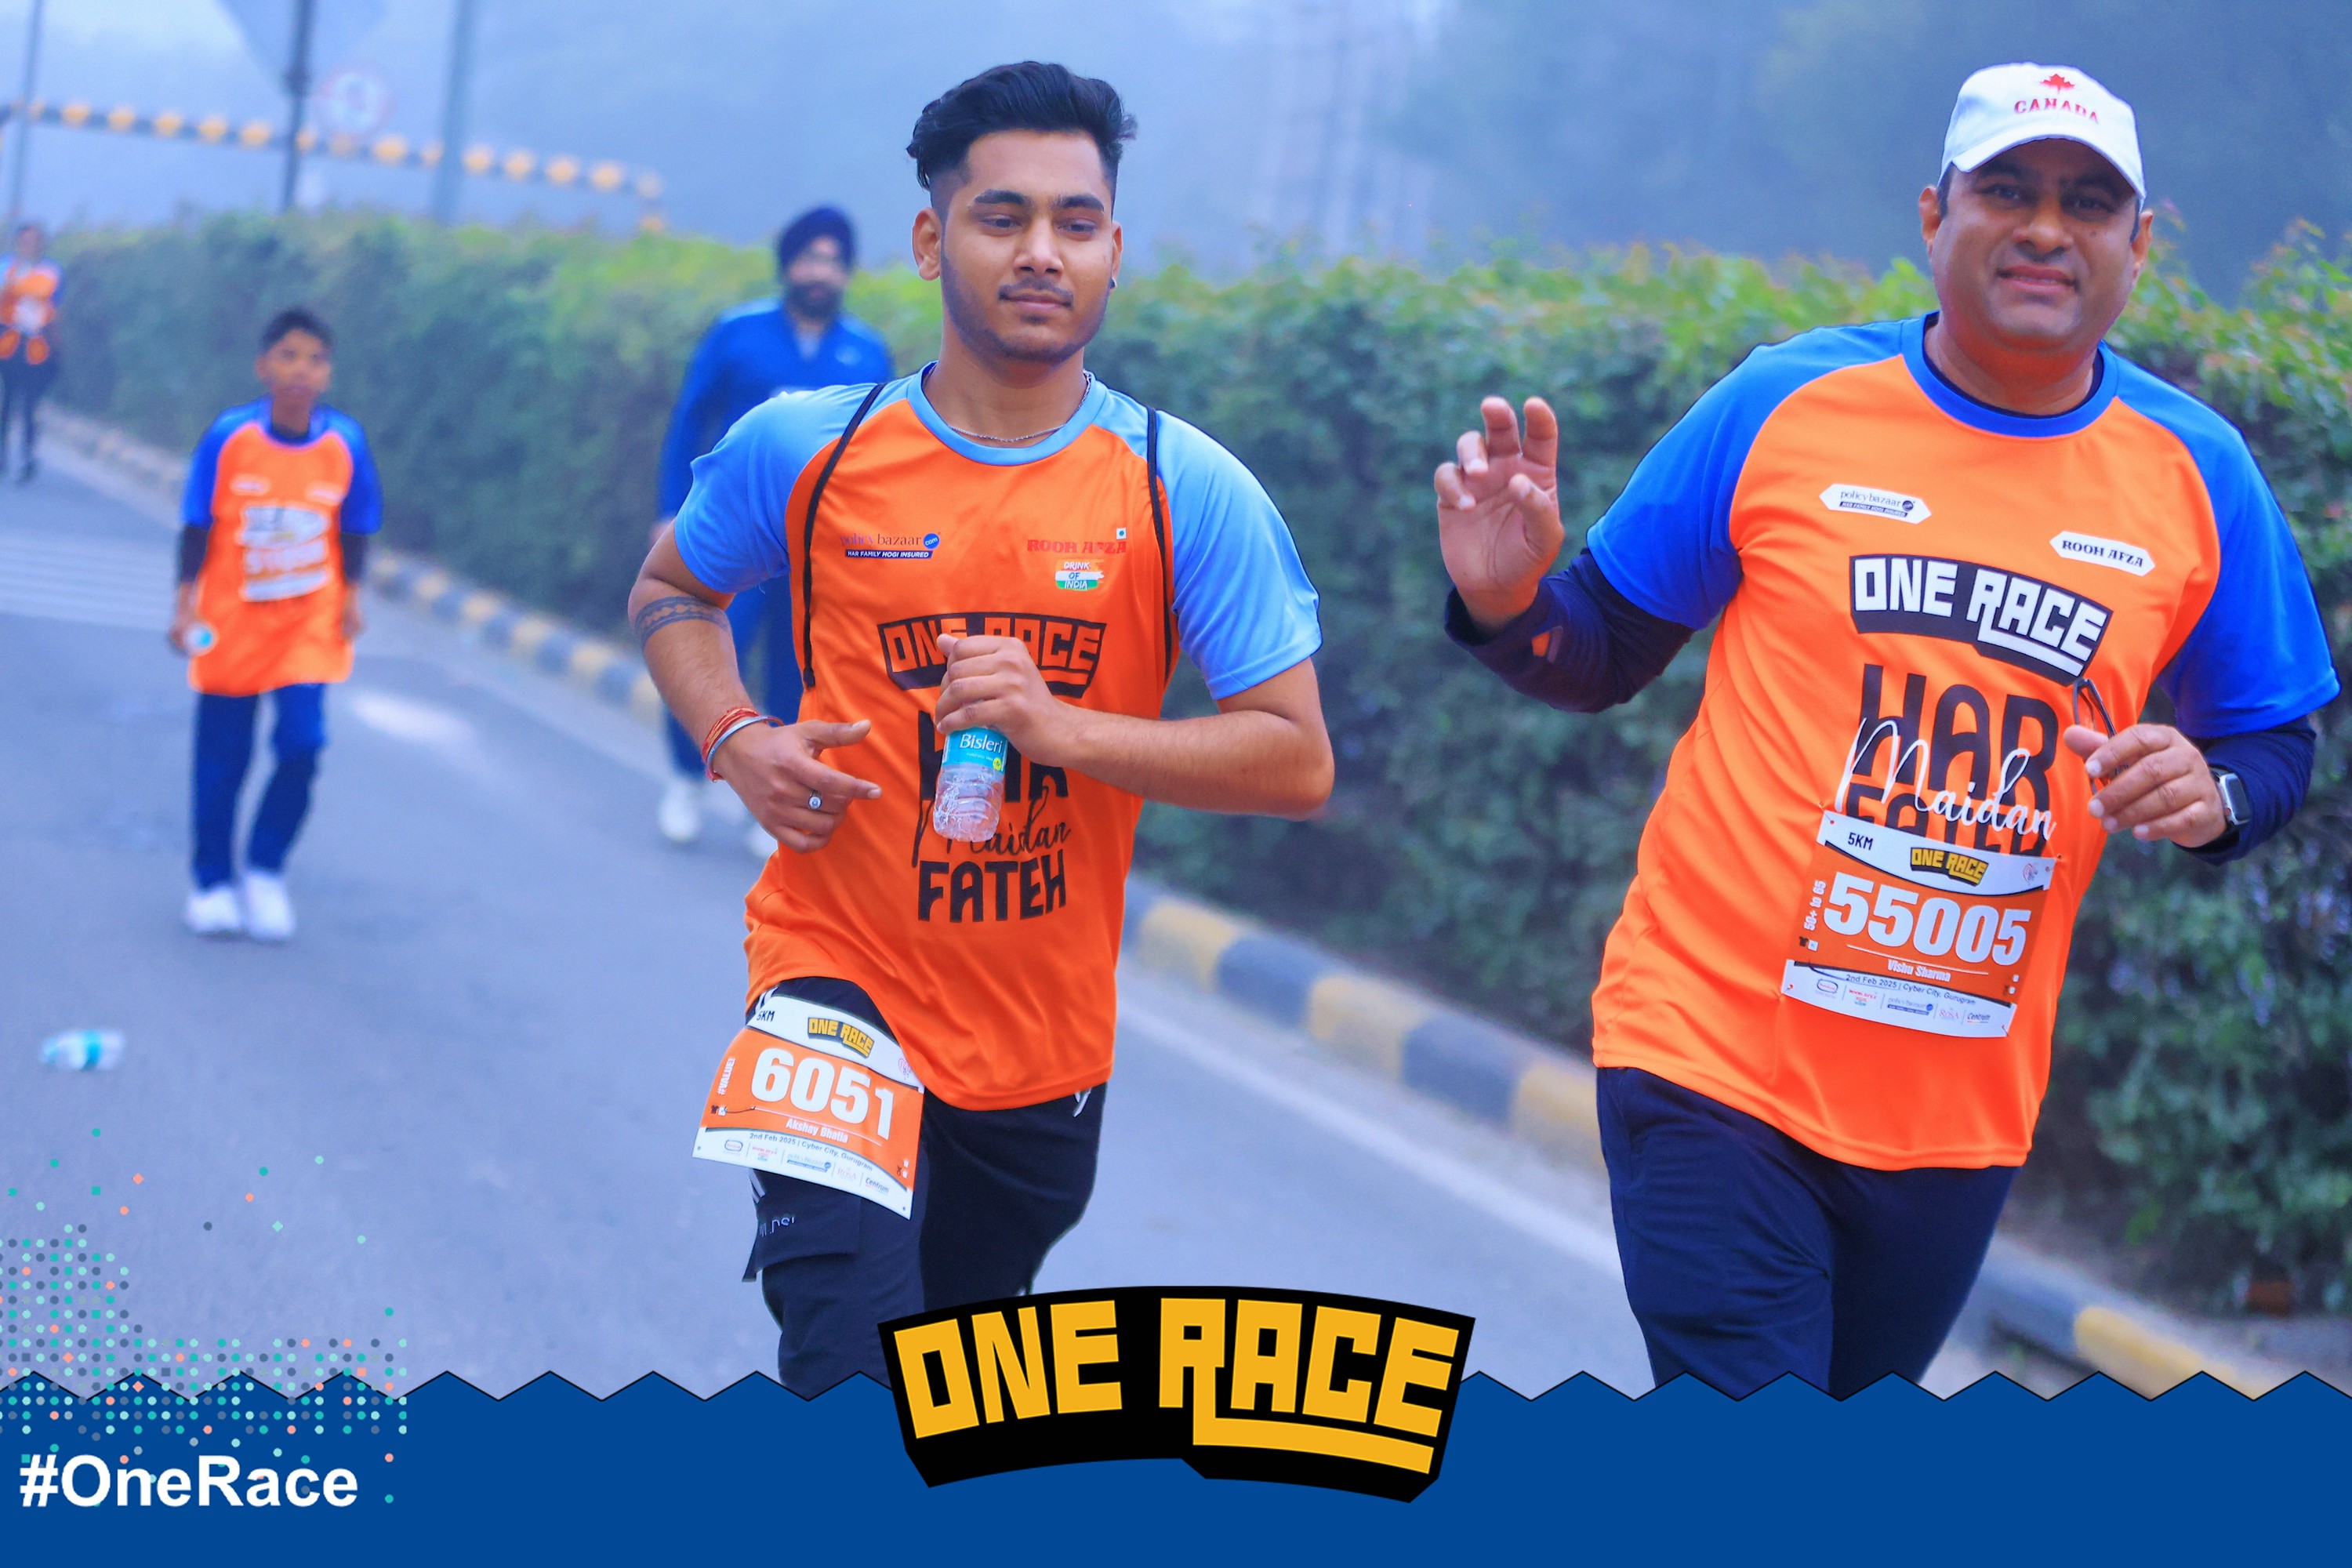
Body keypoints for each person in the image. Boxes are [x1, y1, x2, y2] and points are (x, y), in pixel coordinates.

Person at [1434, 64, 2337, 1398]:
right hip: (1711, 1057)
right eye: (2007, 191)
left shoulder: (2198, 472)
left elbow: (2275, 747)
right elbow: (1595, 652)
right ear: (1934, 215)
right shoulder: (1786, 402)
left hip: (1956, 1116)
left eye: (2088, 204)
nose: (2046, 229)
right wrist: (1506, 600)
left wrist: (2216, 793)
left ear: (2139, 245)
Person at [630, 61, 1331, 1394]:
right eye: (1002, 216)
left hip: (1039, 1045)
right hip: (831, 978)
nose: (1041, 252)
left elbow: (1294, 758)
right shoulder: (809, 449)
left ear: (1116, 250)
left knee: (945, 1398)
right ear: (930, 237)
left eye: (1077, 222)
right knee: (848, 1367)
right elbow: (672, 590)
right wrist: (734, 738)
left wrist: (1068, 733)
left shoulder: (1184, 489)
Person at [652, 205, 895, 854]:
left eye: (833, 262)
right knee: (712, 651)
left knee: (801, 673)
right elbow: (689, 422)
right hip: (738, 539)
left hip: (820, 550)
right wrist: (672, 511)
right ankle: (688, 778)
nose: (820, 272)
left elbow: (883, 456)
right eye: (809, 258)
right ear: (788, 265)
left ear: (847, 273)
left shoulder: (866, 350)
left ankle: (774, 798)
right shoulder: (738, 333)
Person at [172, 308, 383, 942]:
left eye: (315, 359)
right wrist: (184, 604)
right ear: (263, 366)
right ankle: (212, 883)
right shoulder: (231, 437)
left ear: (328, 374)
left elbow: (355, 527)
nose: (301, 369)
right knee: (223, 759)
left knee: (302, 743)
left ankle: (265, 869)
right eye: (288, 355)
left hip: (306, 626)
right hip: (232, 621)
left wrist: (352, 597)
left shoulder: (344, 443)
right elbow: (196, 524)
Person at [0, 220, 63, 482]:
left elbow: (55, 308)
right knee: (7, 401)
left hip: (37, 346)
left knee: (30, 405)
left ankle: (27, 456)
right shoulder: (6, 267)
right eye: (25, 241)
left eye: (35, 242)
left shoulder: (51, 272)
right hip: (9, 342)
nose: (30, 246)